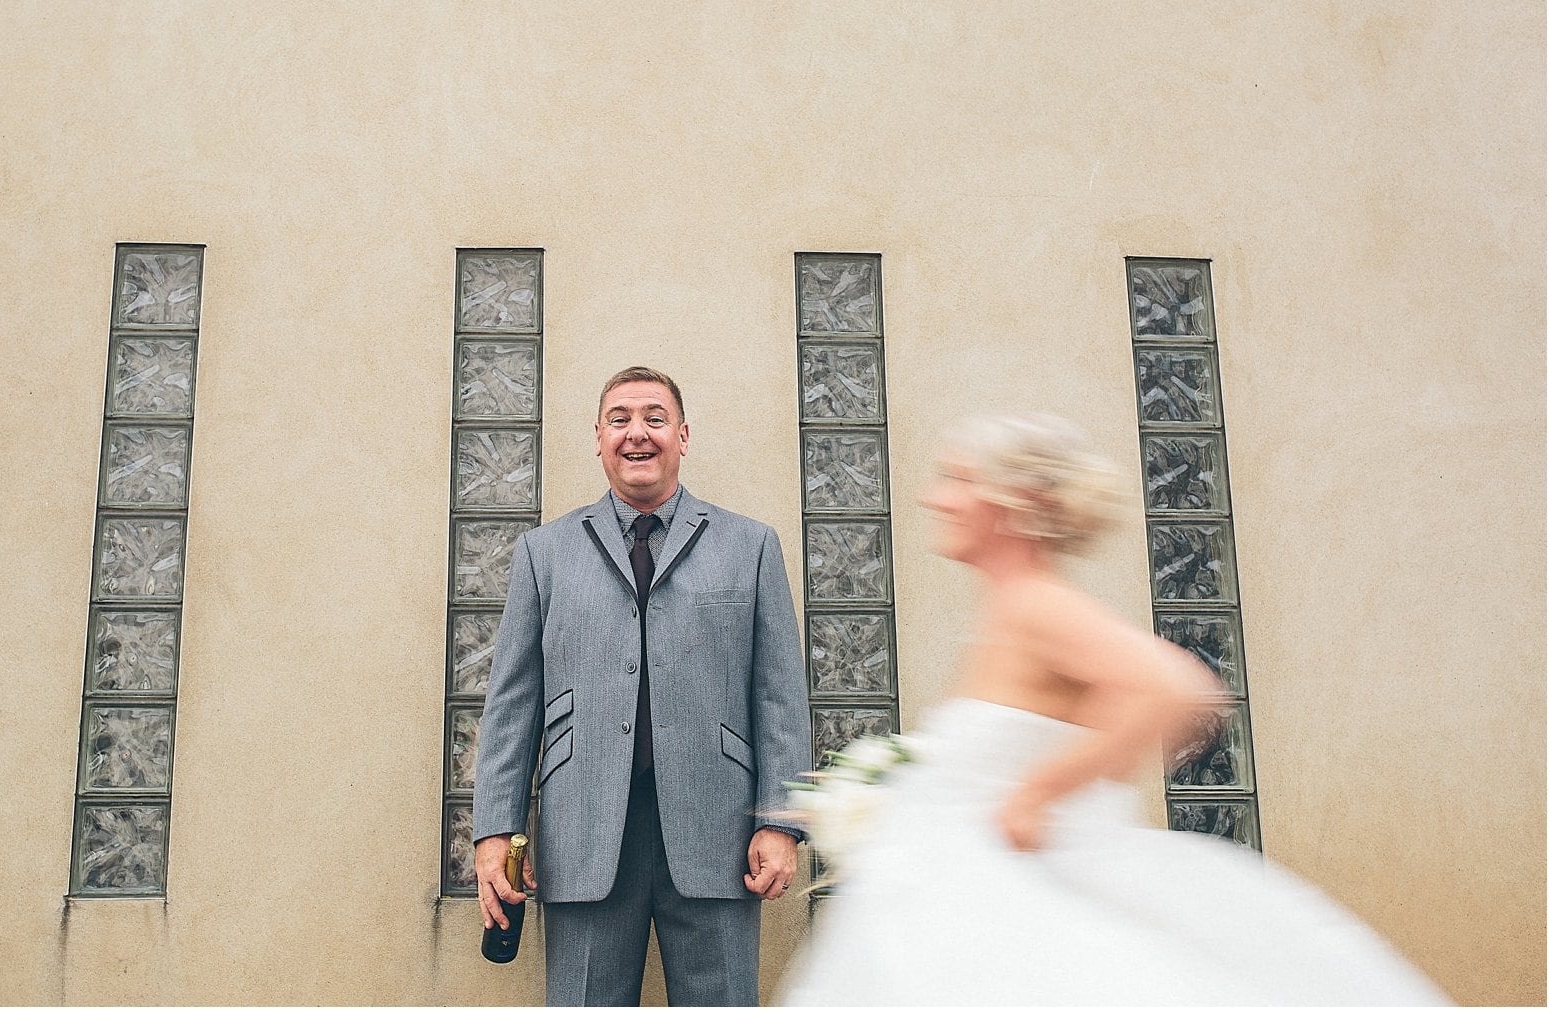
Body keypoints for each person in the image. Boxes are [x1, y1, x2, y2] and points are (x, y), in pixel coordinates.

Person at [779, 413, 1448, 1006]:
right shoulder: (1007, 609)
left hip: (1018, 907)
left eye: (956, 477)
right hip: (970, 906)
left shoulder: (1037, 604)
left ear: (1013, 502)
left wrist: (1041, 790)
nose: (933, 495)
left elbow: (1178, 688)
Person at [474, 366, 810, 1007]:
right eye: (620, 419)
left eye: (655, 418)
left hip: (723, 833)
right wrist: (495, 832)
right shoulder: (544, 554)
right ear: (597, 437)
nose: (638, 433)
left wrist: (780, 823)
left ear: (682, 436)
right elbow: (512, 705)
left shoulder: (751, 546)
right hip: (582, 832)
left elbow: (779, 699)